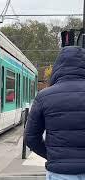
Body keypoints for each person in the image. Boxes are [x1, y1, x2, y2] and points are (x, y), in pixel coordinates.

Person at [25, 46, 85, 180]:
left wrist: (53, 157)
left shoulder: (44, 96)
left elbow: (30, 137)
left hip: (60, 173)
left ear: (58, 67)